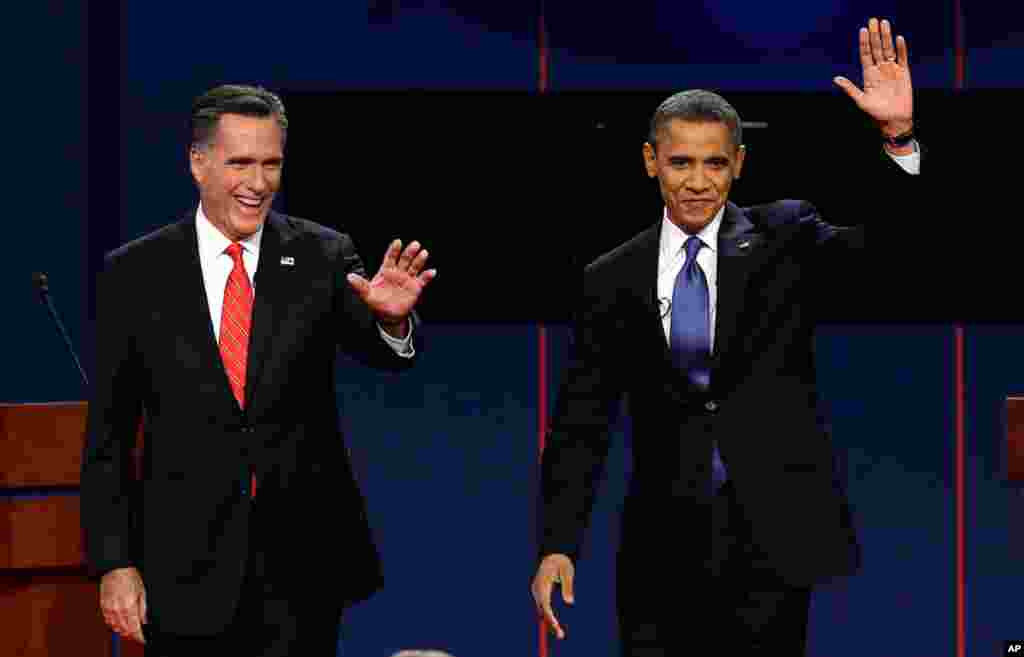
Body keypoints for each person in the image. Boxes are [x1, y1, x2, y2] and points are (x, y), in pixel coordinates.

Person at [532, 18, 919, 655]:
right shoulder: (611, 276)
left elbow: (890, 255)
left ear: (738, 165)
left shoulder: (784, 239)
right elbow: (581, 422)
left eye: (715, 162)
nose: (697, 180)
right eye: (680, 161)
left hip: (773, 541)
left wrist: (898, 140)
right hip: (660, 549)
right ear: (650, 161)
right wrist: (557, 544)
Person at [81, 84, 436, 656]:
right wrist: (114, 562)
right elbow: (109, 435)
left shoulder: (323, 255)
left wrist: (392, 325)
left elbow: (383, 354)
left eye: (272, 163)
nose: (259, 182)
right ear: (198, 163)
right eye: (240, 162)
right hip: (183, 569)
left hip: (301, 566)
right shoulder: (136, 273)